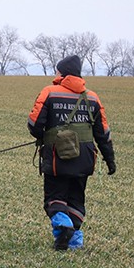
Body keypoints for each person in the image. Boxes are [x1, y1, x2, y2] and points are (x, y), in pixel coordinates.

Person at [27, 53, 116, 250]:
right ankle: (73, 243)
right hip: (85, 157)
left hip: (57, 157)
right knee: (76, 199)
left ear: (63, 73)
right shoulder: (92, 97)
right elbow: (103, 132)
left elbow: (34, 123)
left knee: (54, 199)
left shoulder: (49, 92)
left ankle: (64, 226)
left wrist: (43, 136)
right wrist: (110, 160)